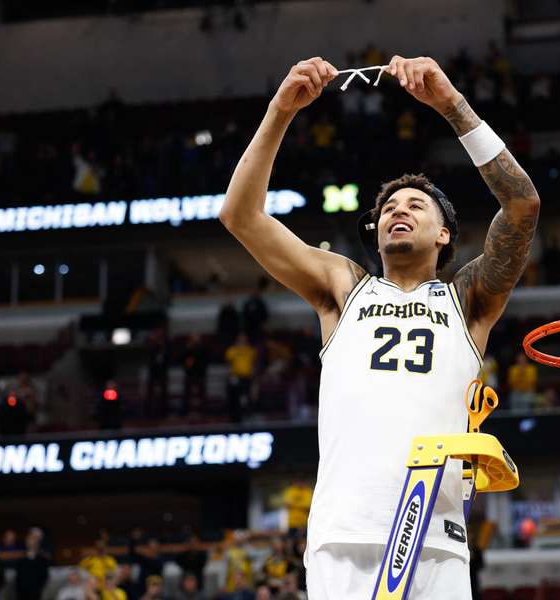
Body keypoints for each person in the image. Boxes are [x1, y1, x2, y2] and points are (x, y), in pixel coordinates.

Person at [220, 55, 540, 600]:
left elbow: (522, 204)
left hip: (437, 537)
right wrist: (280, 111)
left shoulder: (468, 299)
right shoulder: (343, 287)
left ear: (444, 235)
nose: (399, 210)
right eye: (390, 206)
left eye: (416, 205)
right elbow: (240, 216)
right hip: (346, 531)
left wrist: (450, 105)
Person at [225, 333, 259, 422]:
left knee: (248, 397)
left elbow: (254, 363)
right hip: (236, 377)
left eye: (244, 339)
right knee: (235, 398)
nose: (242, 341)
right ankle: (235, 417)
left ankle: (249, 415)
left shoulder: (250, 350)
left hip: (247, 377)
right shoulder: (232, 350)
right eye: (240, 339)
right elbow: (228, 363)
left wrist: (254, 377)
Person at [15, 527, 51, 600]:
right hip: (22, 592)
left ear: (38, 544)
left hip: (36, 592)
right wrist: (19, 588)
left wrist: (39, 587)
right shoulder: (21, 559)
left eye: (34, 541)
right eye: (29, 541)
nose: (32, 543)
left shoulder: (42, 559)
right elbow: (18, 576)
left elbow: (45, 575)